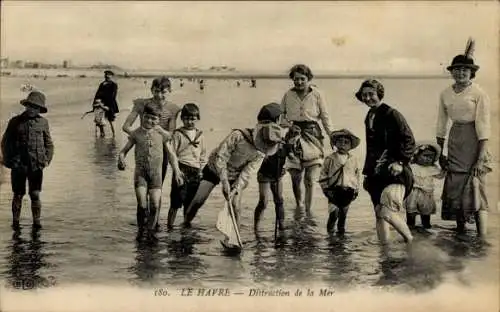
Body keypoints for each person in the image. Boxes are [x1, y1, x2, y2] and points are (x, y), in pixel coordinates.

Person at [183, 104, 284, 228]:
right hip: (215, 168)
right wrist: (224, 181)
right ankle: (185, 225)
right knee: (198, 201)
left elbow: (247, 172)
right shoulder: (238, 135)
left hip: (235, 176)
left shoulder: (261, 153)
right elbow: (221, 157)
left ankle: (235, 238)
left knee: (235, 206)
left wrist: (236, 187)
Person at [436, 43, 492, 238]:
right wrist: (439, 152)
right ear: (452, 72)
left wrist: (480, 158)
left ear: (471, 72)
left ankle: (482, 237)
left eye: (465, 70)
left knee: (477, 185)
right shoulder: (445, 93)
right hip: (455, 139)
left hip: (475, 140)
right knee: (456, 186)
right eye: (457, 69)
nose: (461, 73)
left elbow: (484, 128)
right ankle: (460, 233)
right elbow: (441, 123)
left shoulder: (478, 93)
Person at [356, 79, 416, 246]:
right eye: (364, 95)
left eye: (371, 94)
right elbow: (371, 148)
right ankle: (385, 251)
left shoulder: (392, 113)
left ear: (379, 94)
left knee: (386, 212)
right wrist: (368, 174)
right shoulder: (369, 115)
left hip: (395, 172)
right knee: (378, 213)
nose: (367, 98)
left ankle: (411, 242)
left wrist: (401, 162)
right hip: (376, 173)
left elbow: (409, 140)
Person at [123, 76, 181, 229]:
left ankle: (153, 227)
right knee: (142, 196)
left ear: (169, 91)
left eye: (163, 92)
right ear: (151, 90)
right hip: (143, 148)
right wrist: (140, 135)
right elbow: (126, 126)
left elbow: (171, 133)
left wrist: (157, 133)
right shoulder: (142, 103)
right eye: (156, 91)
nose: (159, 95)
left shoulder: (173, 109)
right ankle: (141, 226)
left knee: (156, 192)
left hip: (161, 151)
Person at [281, 64, 334, 223]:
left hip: (313, 136)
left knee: (310, 179)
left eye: (302, 79)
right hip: (293, 136)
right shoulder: (288, 95)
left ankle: (309, 212)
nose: (299, 82)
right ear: (292, 79)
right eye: (296, 79)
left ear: (308, 79)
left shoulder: (317, 95)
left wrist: (332, 136)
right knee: (296, 177)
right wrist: (289, 125)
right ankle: (299, 207)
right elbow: (281, 116)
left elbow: (325, 117)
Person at [1, 91, 54, 231]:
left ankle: (36, 223)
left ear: (39, 109)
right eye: (30, 106)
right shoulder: (15, 122)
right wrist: (9, 161)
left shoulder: (43, 122)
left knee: (35, 194)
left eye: (36, 107)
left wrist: (47, 160)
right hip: (18, 165)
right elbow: (5, 142)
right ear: (26, 106)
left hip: (36, 165)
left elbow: (49, 144)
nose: (32, 109)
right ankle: (16, 223)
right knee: (18, 194)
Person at [167, 103, 207, 229]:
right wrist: (177, 171)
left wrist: (201, 170)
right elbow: (172, 153)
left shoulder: (200, 135)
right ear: (182, 119)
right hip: (181, 169)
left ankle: (186, 227)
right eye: (186, 118)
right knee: (175, 201)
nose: (189, 121)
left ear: (197, 118)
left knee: (190, 202)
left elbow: (203, 155)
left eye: (192, 119)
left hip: (195, 171)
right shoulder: (178, 134)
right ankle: (170, 227)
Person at [253, 103, 289, 234]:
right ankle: (256, 228)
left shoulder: (282, 134)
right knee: (264, 201)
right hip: (264, 173)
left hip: (278, 172)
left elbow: (288, 154)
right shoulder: (264, 134)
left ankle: (282, 226)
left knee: (279, 199)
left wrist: (285, 166)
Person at [319, 129, 362, 235]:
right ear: (335, 143)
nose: (343, 144)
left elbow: (357, 175)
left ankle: (341, 236)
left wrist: (356, 189)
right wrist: (325, 188)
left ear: (351, 146)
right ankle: (330, 235)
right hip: (333, 191)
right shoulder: (330, 158)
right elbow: (323, 175)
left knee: (343, 215)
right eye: (340, 141)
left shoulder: (354, 159)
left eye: (346, 142)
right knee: (333, 214)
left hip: (348, 191)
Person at [404, 142, 444, 230]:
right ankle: (411, 229)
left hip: (427, 194)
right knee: (411, 213)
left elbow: (440, 176)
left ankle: (426, 229)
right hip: (413, 192)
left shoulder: (432, 168)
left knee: (426, 213)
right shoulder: (412, 166)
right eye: (425, 155)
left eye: (431, 157)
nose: (427, 159)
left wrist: (445, 167)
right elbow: (404, 176)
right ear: (417, 155)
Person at [93, 70, 119, 137]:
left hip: (110, 104)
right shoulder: (102, 84)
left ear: (111, 76)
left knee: (111, 120)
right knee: (100, 120)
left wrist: (106, 105)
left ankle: (114, 135)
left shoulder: (114, 85)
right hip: (101, 103)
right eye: (106, 74)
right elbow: (97, 94)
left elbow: (113, 96)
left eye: (108, 75)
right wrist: (95, 103)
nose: (107, 76)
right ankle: (102, 134)